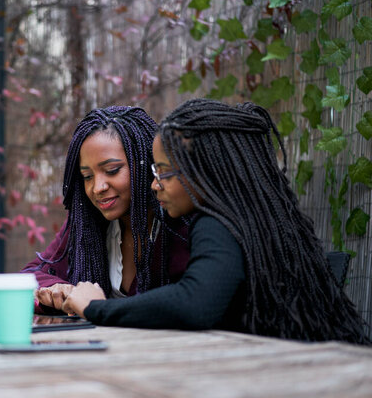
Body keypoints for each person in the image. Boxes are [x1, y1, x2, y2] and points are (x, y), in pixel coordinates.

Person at [62, 98, 370, 345]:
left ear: (205, 171)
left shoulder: (217, 224)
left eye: (165, 172)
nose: (155, 185)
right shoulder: (255, 216)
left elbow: (195, 302)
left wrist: (95, 307)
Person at [21, 106, 190, 313]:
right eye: (87, 176)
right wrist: (58, 290)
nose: (98, 187)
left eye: (112, 170)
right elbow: (29, 277)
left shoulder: (180, 225)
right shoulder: (88, 224)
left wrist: (97, 307)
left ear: (146, 164)